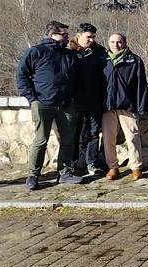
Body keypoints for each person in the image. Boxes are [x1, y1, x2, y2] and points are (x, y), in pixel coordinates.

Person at [16, 20, 80, 189]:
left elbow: (77, 79)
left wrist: (73, 98)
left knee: (68, 140)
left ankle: (65, 173)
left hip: (66, 105)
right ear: (53, 35)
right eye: (64, 35)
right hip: (42, 103)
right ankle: (33, 175)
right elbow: (22, 76)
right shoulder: (36, 52)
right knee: (41, 140)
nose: (67, 38)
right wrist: (32, 99)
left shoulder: (69, 55)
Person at [101, 33, 148, 180]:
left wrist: (141, 106)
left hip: (128, 106)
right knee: (108, 138)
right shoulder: (103, 61)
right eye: (113, 42)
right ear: (108, 43)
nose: (116, 45)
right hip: (108, 105)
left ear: (125, 43)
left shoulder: (134, 60)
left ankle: (136, 167)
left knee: (133, 137)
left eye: (119, 42)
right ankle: (113, 167)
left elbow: (141, 85)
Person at [68, 23, 108, 177]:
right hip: (75, 102)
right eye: (88, 37)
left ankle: (91, 162)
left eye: (93, 37)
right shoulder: (69, 52)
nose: (91, 40)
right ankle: (75, 164)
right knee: (75, 134)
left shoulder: (99, 52)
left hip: (95, 100)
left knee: (93, 133)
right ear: (78, 35)